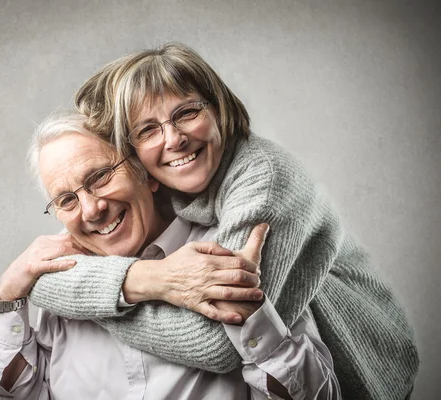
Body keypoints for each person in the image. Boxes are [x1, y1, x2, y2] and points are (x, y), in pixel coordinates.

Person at [27, 43, 419, 399]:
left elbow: (215, 342)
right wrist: (135, 279)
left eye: (187, 112)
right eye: (147, 130)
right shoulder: (174, 184)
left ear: (220, 108)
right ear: (133, 153)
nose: (174, 139)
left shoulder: (264, 180)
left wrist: (83, 295)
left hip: (366, 368)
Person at [0, 114, 340, 399]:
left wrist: (255, 323)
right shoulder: (63, 279)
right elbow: (14, 395)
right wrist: (8, 302)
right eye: (66, 200)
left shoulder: (233, 253)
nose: (91, 209)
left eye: (100, 177)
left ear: (146, 173)